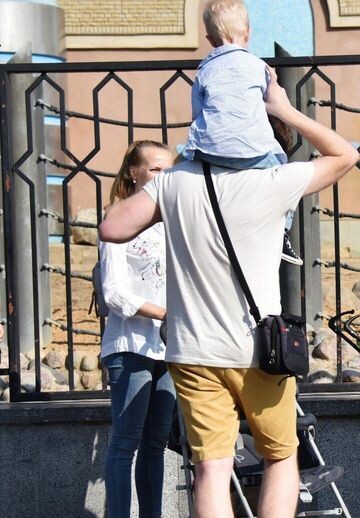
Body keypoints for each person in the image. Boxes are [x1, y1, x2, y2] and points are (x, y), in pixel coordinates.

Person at [99, 69, 359, 517]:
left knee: (206, 466)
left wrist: (170, 178)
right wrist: (285, 109)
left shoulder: (178, 186)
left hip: (193, 348)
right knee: (280, 457)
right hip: (242, 346)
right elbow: (345, 154)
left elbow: (111, 227)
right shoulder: (269, 181)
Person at [184, 0, 301, 265]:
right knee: (283, 169)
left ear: (210, 40)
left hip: (209, 152)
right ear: (247, 33)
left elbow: (196, 114)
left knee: (202, 181)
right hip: (254, 152)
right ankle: (282, 232)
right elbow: (271, 100)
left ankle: (208, 226)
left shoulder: (204, 71)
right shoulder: (259, 67)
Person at [99, 140, 175, 518]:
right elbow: (113, 292)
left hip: (170, 348)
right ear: (134, 172)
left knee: (155, 444)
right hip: (130, 346)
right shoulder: (118, 218)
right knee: (125, 442)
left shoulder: (174, 222)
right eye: (156, 169)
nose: (164, 176)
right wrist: (164, 313)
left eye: (168, 169)